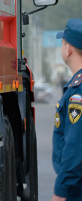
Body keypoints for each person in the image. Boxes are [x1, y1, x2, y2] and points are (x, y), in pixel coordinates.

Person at [52, 18, 82, 201]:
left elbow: (75, 145)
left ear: (68, 49)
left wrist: (60, 192)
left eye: (62, 43)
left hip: (75, 191)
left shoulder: (77, 91)